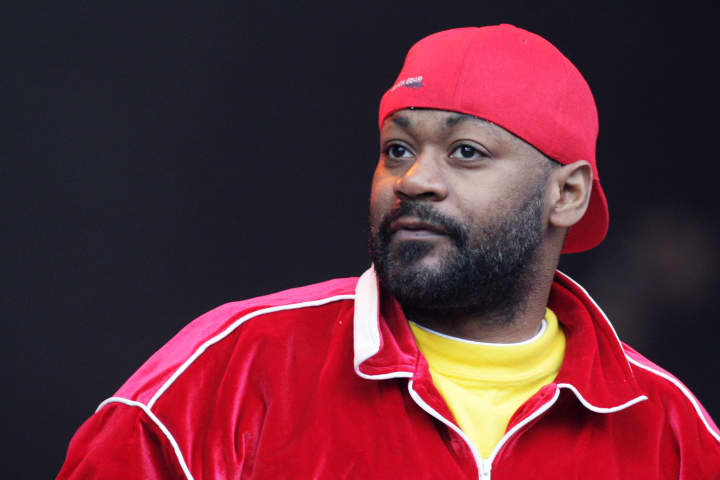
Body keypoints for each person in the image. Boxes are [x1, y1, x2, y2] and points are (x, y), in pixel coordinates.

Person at [57, 24, 720, 479]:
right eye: (397, 149)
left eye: (466, 151)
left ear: (567, 194)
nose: (415, 179)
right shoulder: (231, 368)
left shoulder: (672, 430)